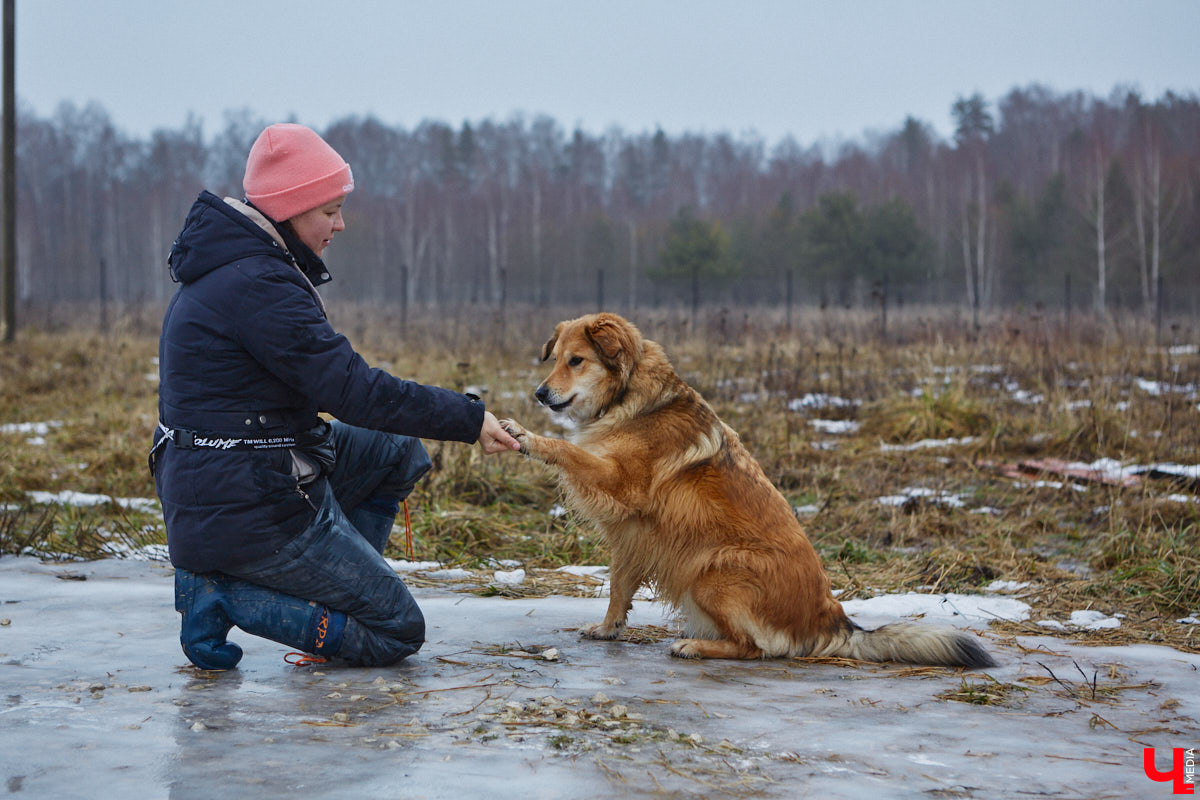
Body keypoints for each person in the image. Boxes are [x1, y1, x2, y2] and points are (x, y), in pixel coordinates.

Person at [151, 122, 520, 670]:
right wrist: (468, 418)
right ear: (290, 207)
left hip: (242, 474)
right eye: (329, 210)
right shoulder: (258, 285)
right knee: (396, 631)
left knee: (395, 449)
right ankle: (220, 594)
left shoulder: (247, 268)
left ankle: (331, 606)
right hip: (244, 504)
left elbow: (342, 389)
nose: (340, 224)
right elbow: (352, 391)